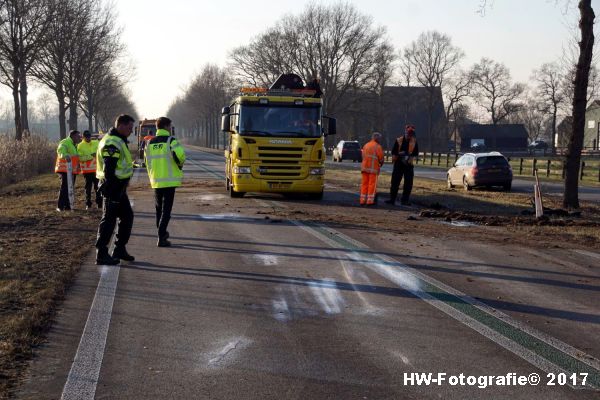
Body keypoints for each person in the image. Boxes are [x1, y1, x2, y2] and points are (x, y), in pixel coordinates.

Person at [95, 114, 136, 265]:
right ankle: (101, 253)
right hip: (113, 187)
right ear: (121, 125)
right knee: (109, 221)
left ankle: (119, 249)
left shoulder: (118, 139)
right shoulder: (113, 141)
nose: (131, 131)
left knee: (127, 217)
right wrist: (111, 188)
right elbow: (109, 167)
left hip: (119, 187)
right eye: (130, 127)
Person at [144, 117, 186, 247]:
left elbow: (146, 162)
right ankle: (161, 237)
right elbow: (181, 157)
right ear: (167, 126)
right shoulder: (171, 141)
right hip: (169, 181)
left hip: (156, 181)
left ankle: (162, 233)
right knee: (166, 211)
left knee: (158, 210)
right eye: (170, 126)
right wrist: (179, 165)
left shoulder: (149, 143)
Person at [385, 124, 419, 206]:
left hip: (408, 164)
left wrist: (409, 156)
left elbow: (416, 152)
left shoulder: (414, 141)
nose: (409, 137)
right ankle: (392, 199)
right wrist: (400, 154)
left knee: (408, 183)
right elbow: (393, 152)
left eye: (411, 135)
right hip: (399, 163)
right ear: (405, 133)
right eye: (408, 134)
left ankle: (405, 200)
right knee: (395, 182)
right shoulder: (399, 140)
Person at [55, 130, 81, 211]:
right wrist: (65, 155)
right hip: (64, 169)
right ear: (72, 136)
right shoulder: (65, 142)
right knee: (65, 187)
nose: (79, 138)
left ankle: (67, 206)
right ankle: (60, 206)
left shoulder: (74, 144)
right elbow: (60, 150)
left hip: (71, 170)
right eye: (78, 136)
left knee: (69, 187)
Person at [77, 130, 102, 209]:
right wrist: (91, 156)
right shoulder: (80, 146)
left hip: (96, 170)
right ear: (83, 137)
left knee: (98, 187)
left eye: (89, 137)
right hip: (87, 171)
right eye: (86, 137)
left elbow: (101, 152)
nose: (88, 138)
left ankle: (99, 203)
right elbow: (80, 158)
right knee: (88, 188)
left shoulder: (96, 143)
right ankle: (88, 204)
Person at [360, 132, 384, 206]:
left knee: (364, 184)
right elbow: (381, 159)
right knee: (372, 185)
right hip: (373, 169)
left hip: (364, 168)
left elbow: (362, 156)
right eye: (379, 138)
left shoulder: (366, 145)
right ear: (377, 138)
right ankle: (370, 201)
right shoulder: (378, 146)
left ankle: (362, 200)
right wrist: (381, 163)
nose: (380, 140)